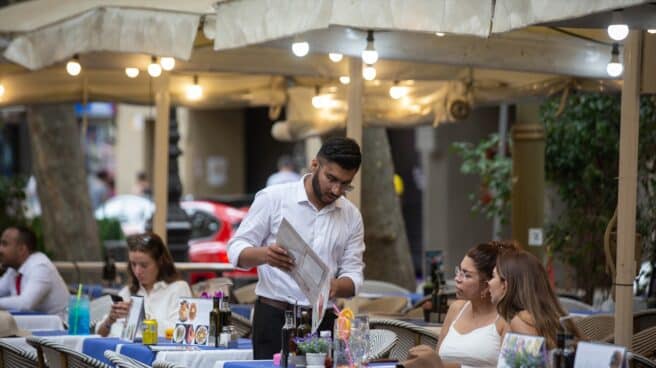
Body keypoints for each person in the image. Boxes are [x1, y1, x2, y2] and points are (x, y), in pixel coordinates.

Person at [228, 137, 365, 359]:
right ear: (314, 165)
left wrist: (336, 286)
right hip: (274, 316)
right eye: (331, 178)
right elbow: (235, 250)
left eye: (345, 183)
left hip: (322, 320)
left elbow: (354, 275)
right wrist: (265, 255)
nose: (336, 189)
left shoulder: (351, 215)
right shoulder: (274, 198)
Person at [437, 240, 518, 368]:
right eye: (459, 271)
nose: (457, 279)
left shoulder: (506, 318)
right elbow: (436, 361)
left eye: (466, 275)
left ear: (487, 284)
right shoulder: (456, 308)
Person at [97, 232, 192, 337]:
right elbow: (99, 333)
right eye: (133, 264)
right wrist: (110, 320)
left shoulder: (178, 288)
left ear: (160, 262)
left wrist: (140, 317)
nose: (137, 271)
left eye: (144, 265)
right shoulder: (128, 292)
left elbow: (181, 332)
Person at [487, 249, 582, 349]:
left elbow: (530, 363)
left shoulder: (520, 320)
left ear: (505, 285)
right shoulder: (552, 315)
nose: (488, 282)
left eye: (492, 276)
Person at [0, 226, 69, 319]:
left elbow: (25, 304)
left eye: (4, 244)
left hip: (61, 329)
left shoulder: (40, 266)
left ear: (21, 249)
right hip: (34, 327)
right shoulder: (13, 269)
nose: (0, 249)